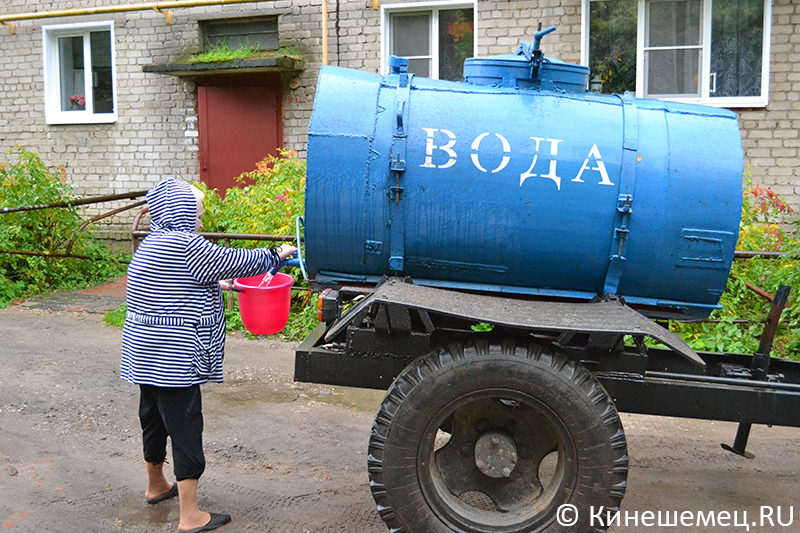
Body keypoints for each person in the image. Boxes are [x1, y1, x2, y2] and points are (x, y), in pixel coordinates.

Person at [120, 177, 296, 532]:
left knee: (152, 419)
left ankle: (156, 485)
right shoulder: (188, 246)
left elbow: (172, 282)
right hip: (174, 359)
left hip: (144, 357)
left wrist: (216, 283)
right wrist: (277, 254)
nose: (200, 219)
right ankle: (190, 516)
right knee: (185, 426)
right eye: (196, 211)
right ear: (180, 210)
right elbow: (235, 259)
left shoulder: (152, 244)